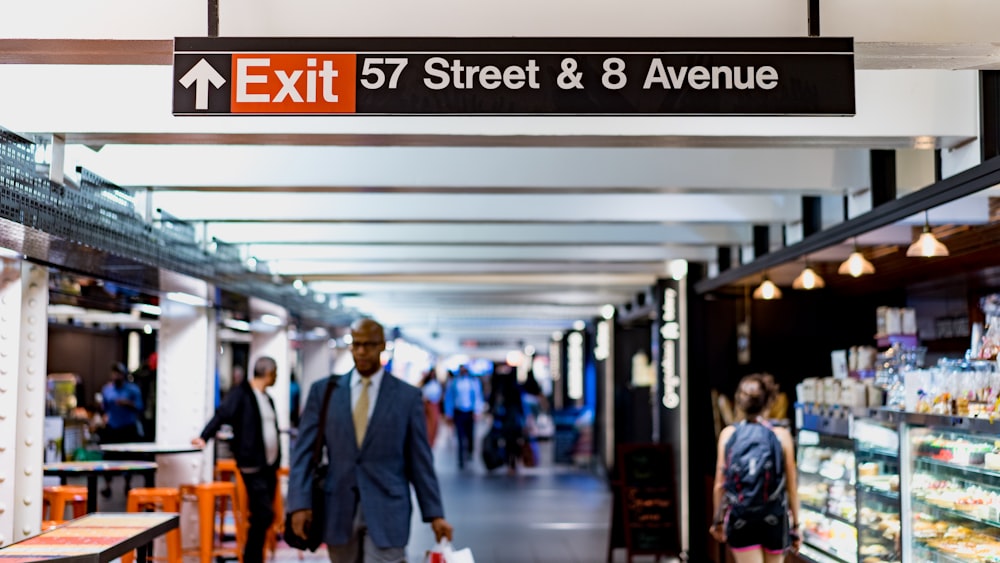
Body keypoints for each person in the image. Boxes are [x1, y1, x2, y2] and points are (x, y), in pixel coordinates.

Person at [288, 318, 452, 563]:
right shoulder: (324, 393)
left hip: (389, 507)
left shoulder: (407, 398)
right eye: (357, 344)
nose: (362, 351)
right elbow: (303, 453)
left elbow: (420, 461)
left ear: (382, 346)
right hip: (338, 508)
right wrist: (299, 505)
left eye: (369, 345)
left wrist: (435, 514)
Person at [192, 356, 281, 563]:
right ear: (268, 373)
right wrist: (204, 436)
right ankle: (252, 558)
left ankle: (254, 557)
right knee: (264, 513)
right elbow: (222, 414)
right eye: (275, 373)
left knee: (263, 515)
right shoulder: (242, 394)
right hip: (252, 464)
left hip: (268, 465)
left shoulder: (267, 398)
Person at [711, 374, 800, 563]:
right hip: (774, 519)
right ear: (769, 401)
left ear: (739, 402)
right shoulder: (781, 436)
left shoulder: (729, 434)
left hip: (741, 518)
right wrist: (796, 527)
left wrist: (717, 520)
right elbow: (792, 487)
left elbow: (720, 485)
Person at [99, 362, 144, 497]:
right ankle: (107, 486)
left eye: (119, 373)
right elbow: (104, 407)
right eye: (114, 373)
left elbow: (140, 407)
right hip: (112, 428)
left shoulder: (133, 390)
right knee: (108, 458)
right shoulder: (107, 390)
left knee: (127, 459)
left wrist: (127, 403)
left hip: (127, 428)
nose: (116, 376)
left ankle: (127, 485)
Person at [443, 365, 483, 469]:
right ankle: (461, 458)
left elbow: (478, 397)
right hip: (458, 411)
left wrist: (477, 410)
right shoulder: (454, 382)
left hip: (470, 411)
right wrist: (449, 412)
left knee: (470, 434)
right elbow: (449, 398)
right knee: (460, 436)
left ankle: (469, 452)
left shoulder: (473, 382)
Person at [488, 367, 526, 474]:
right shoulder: (516, 388)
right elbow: (521, 406)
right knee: (515, 442)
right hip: (514, 419)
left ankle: (509, 462)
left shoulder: (503, 389)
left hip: (506, 419)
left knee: (508, 442)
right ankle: (514, 462)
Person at [420, 369, 443, 447]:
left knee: (434, 424)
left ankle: (431, 441)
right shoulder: (426, 384)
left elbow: (439, 395)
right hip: (427, 405)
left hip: (434, 405)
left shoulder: (437, 384)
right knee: (427, 424)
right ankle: (427, 440)